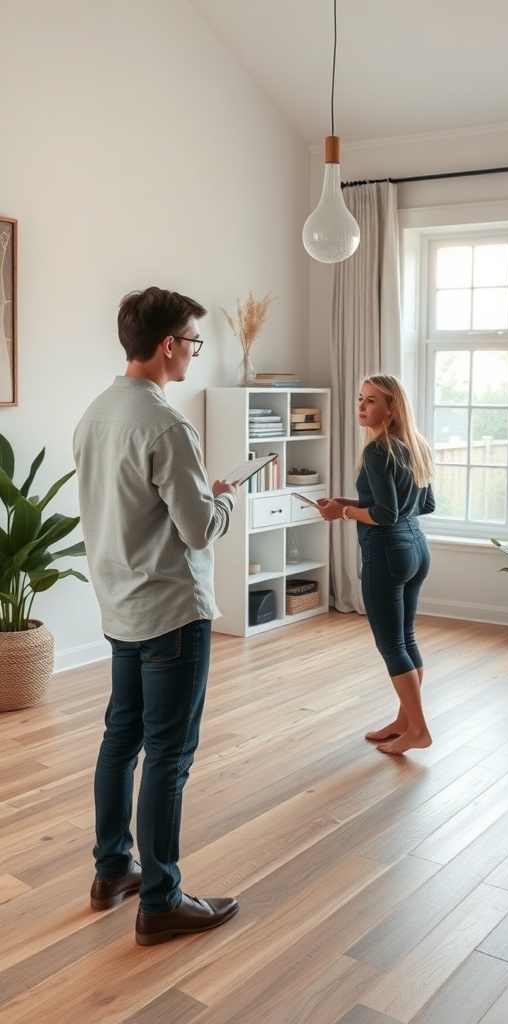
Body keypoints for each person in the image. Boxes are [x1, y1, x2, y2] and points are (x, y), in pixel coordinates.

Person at [73, 286, 240, 945]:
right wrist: (223, 502)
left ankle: (113, 870)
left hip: (119, 604)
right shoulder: (167, 423)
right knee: (169, 754)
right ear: (168, 345)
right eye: (193, 343)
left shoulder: (96, 413)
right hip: (172, 609)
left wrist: (202, 493)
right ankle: (163, 900)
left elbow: (133, 508)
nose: (195, 355)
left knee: (122, 739)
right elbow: (198, 530)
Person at [318, 374, 435, 756]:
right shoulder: (416, 445)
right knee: (406, 639)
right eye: (360, 399)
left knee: (391, 645)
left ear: (392, 408)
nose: (361, 406)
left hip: (387, 553)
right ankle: (404, 722)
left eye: (371, 401)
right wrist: (347, 502)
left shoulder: (377, 451)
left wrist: (345, 512)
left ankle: (418, 729)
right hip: (416, 548)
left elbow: (385, 514)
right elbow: (423, 506)